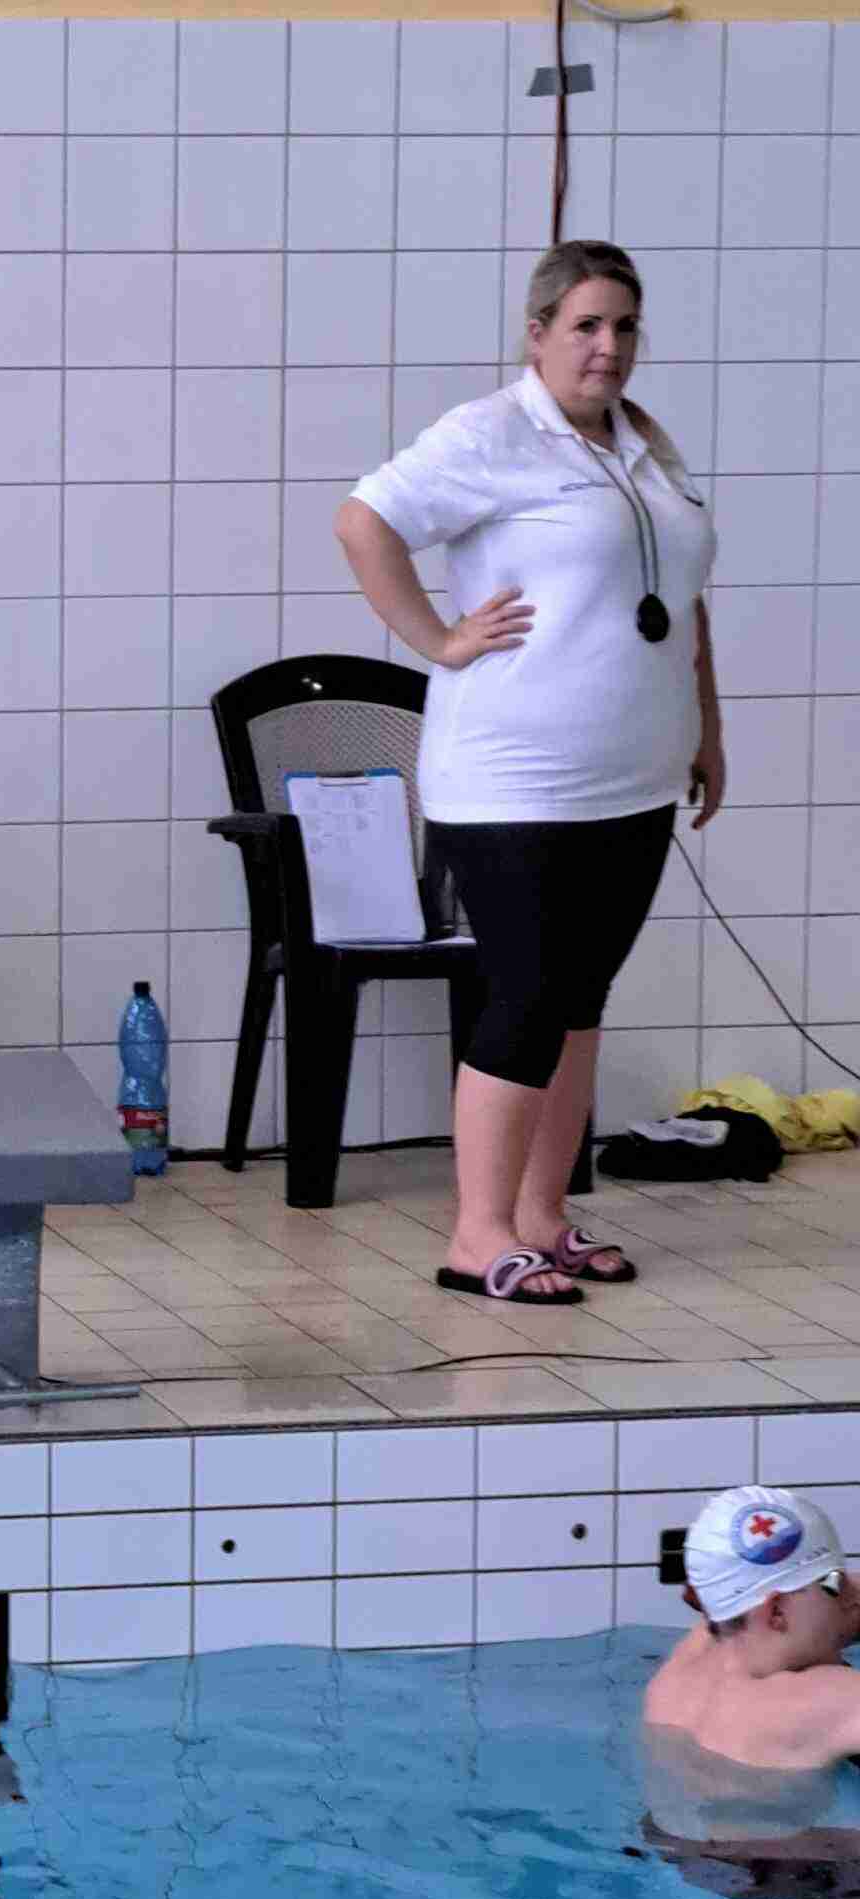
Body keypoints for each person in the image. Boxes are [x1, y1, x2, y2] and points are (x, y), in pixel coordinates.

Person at [334, 240, 725, 1304]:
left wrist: (706, 729)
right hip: (515, 781)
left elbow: (681, 602)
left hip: (635, 777)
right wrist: (437, 638)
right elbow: (362, 522)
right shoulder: (491, 433)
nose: (608, 346)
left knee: (579, 997)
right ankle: (476, 1234)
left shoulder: (644, 447)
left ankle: (543, 1216)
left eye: (624, 326)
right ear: (538, 331)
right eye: (586, 325)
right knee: (526, 992)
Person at [640, 1485, 860, 1899]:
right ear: (775, 1612)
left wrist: (824, 1584)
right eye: (834, 1585)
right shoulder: (823, 1699)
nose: (850, 1597)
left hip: (672, 1848)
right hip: (785, 1874)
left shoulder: (687, 1661)